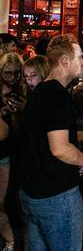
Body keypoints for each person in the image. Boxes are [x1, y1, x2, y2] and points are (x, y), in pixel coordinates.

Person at [19, 35, 83, 251]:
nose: (82, 62)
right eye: (79, 57)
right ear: (64, 61)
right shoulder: (57, 96)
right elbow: (60, 148)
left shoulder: (40, 91)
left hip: (32, 192)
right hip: (56, 196)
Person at [0, 52, 27, 251]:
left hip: (11, 153)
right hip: (5, 149)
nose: (12, 77)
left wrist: (22, 111)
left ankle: (11, 242)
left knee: (6, 202)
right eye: (8, 73)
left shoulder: (24, 92)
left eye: (16, 73)